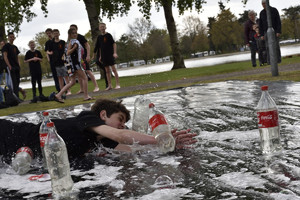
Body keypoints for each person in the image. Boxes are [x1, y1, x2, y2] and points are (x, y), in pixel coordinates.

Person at [0, 98, 197, 163]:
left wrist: (171, 147)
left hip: (18, 150)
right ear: (103, 115)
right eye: (120, 119)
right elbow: (121, 135)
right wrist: (160, 139)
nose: (122, 125)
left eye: (124, 122)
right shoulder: (88, 118)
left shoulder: (100, 140)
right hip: (9, 133)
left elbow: (134, 149)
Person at [54, 28, 92, 103]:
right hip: (74, 64)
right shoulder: (72, 42)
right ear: (70, 35)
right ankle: (86, 96)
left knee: (73, 82)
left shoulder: (72, 41)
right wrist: (74, 48)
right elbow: (68, 53)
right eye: (73, 33)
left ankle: (58, 95)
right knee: (85, 78)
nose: (75, 34)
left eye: (76, 33)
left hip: (73, 63)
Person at [70, 24, 99, 93]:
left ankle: (96, 86)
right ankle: (82, 89)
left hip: (83, 57)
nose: (73, 31)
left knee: (88, 71)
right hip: (77, 59)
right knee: (79, 74)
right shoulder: (71, 39)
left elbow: (87, 45)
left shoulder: (80, 37)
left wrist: (88, 55)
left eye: (74, 29)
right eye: (71, 29)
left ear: (76, 29)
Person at [95, 22, 120, 90]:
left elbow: (114, 44)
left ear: (105, 27)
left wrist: (115, 53)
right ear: (99, 28)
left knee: (114, 69)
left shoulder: (108, 35)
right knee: (107, 71)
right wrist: (100, 56)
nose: (102, 28)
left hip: (110, 54)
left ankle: (117, 84)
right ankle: (109, 85)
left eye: (103, 26)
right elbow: (99, 47)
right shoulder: (99, 37)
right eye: (101, 27)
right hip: (103, 56)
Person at [2, 32, 27, 99]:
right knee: (13, 83)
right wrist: (9, 65)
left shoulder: (15, 47)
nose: (12, 38)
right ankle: (15, 98)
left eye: (13, 37)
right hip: (11, 67)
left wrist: (19, 65)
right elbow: (5, 56)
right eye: (10, 37)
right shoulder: (5, 46)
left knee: (17, 82)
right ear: (8, 38)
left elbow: (17, 57)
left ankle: (17, 97)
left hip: (16, 67)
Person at [50, 29, 71, 95]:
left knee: (66, 76)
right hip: (56, 62)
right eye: (54, 33)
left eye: (57, 33)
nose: (56, 35)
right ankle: (62, 91)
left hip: (63, 61)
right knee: (60, 77)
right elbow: (48, 51)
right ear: (53, 35)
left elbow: (66, 49)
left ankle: (68, 90)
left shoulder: (62, 42)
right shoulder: (52, 43)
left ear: (59, 34)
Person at [44, 28, 60, 92]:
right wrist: (48, 55)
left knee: (61, 74)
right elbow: (46, 51)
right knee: (55, 75)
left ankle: (64, 88)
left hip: (58, 59)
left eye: (49, 33)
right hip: (52, 60)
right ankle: (58, 88)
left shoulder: (56, 41)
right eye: (47, 34)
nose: (49, 34)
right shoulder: (47, 43)